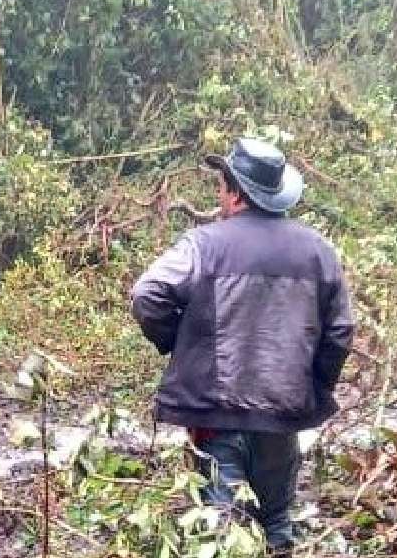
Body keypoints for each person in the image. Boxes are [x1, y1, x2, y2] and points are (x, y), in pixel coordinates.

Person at [131, 138, 354, 551]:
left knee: (220, 531)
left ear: (235, 194)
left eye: (221, 187)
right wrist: (312, 388)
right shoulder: (319, 252)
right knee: (275, 524)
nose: (218, 196)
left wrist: (178, 342)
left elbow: (147, 296)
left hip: (216, 417)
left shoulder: (205, 244)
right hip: (282, 415)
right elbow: (340, 333)